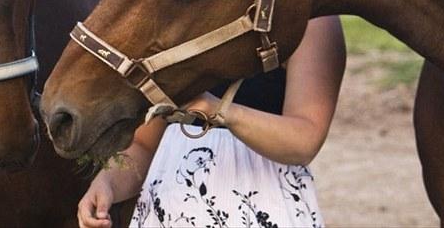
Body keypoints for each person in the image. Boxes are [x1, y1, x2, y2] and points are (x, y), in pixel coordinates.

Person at [77, 16, 346, 228]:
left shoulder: (311, 23)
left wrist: (217, 109)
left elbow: (304, 141)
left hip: (261, 211)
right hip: (172, 214)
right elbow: (144, 146)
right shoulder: (186, 16)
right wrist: (107, 184)